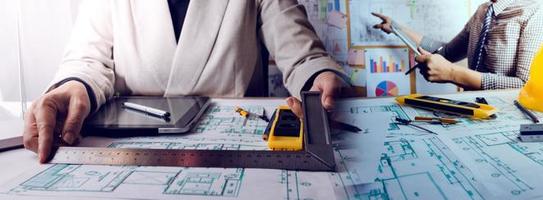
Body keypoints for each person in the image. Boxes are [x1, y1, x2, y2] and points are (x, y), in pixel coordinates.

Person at [23, 0, 350, 162]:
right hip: (128, 154)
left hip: (235, 154)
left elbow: (302, 53)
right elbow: (87, 61)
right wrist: (73, 87)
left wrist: (318, 77)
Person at [373, 0, 543, 90]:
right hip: (475, 111)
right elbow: (446, 52)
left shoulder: (541, 11)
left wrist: (452, 74)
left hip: (511, 123)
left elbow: (527, 86)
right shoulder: (484, 10)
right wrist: (397, 28)